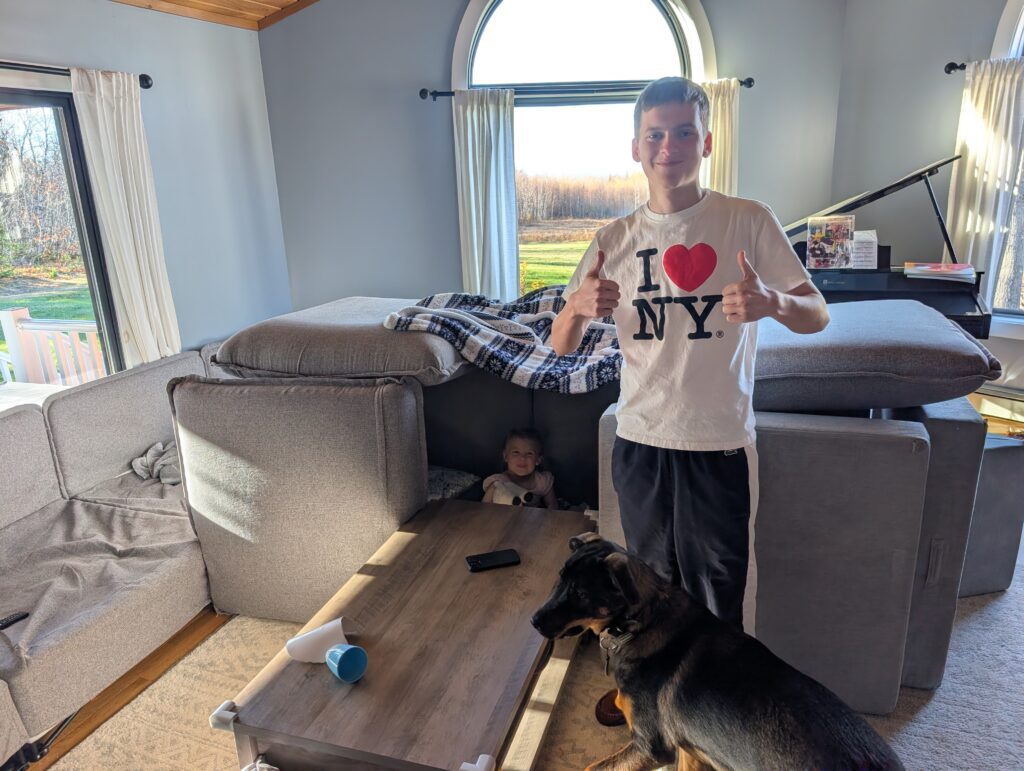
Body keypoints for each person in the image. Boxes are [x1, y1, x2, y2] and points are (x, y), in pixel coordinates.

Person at [550, 76, 830, 725]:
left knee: (719, 591)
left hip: (717, 441)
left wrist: (773, 303)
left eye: (682, 133)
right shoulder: (610, 239)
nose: (668, 146)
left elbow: (816, 312)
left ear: (705, 140)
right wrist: (575, 306)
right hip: (640, 438)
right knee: (642, 589)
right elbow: (562, 344)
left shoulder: (746, 220)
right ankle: (643, 694)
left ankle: (721, 706)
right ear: (636, 147)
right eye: (655, 134)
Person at [482, 429, 558, 509]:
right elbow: (484, 509)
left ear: (538, 460)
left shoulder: (542, 481)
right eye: (516, 452)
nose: (522, 458)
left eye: (529, 453)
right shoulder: (498, 482)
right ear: (505, 456)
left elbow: (552, 506)